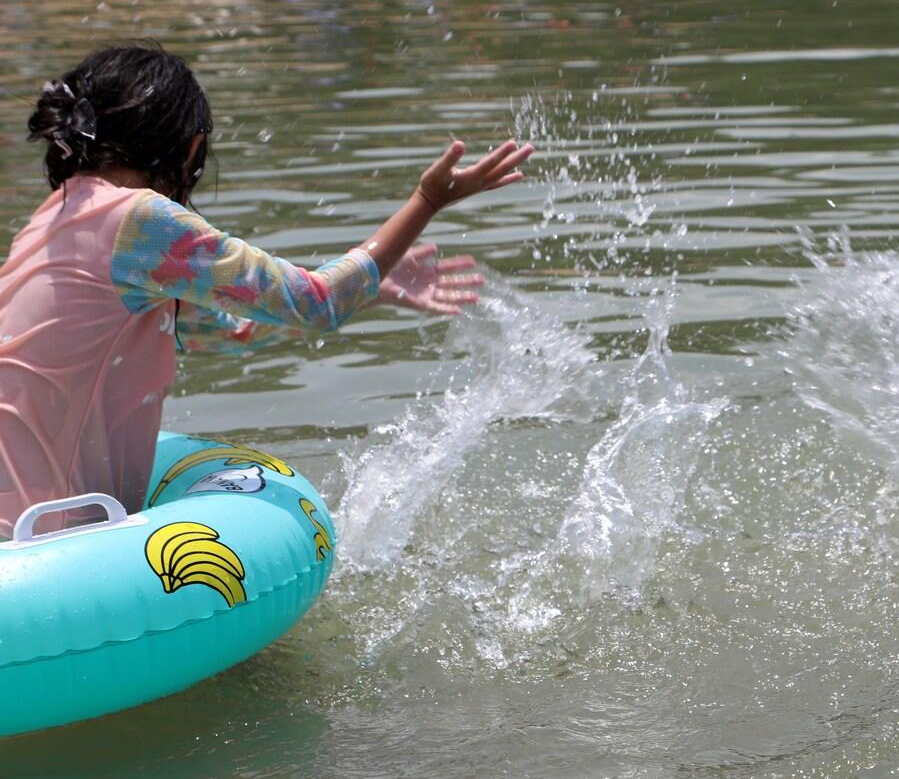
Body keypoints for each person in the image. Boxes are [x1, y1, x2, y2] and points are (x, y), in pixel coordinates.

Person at [0, 43, 534, 536]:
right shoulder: (140, 218)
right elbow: (315, 305)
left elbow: (222, 327)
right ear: (192, 148)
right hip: (41, 546)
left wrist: (370, 286)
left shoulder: (57, 218)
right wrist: (426, 201)